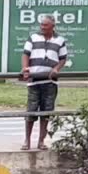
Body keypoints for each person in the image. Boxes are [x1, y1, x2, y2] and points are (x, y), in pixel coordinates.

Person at [21, 14, 68, 150]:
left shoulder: (60, 40)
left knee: (46, 112)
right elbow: (25, 54)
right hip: (34, 80)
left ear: (53, 26)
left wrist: (56, 68)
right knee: (31, 111)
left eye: (45, 25)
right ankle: (27, 140)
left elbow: (63, 58)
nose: (42, 27)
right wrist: (25, 68)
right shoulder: (33, 38)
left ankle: (41, 141)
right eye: (41, 25)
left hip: (50, 81)